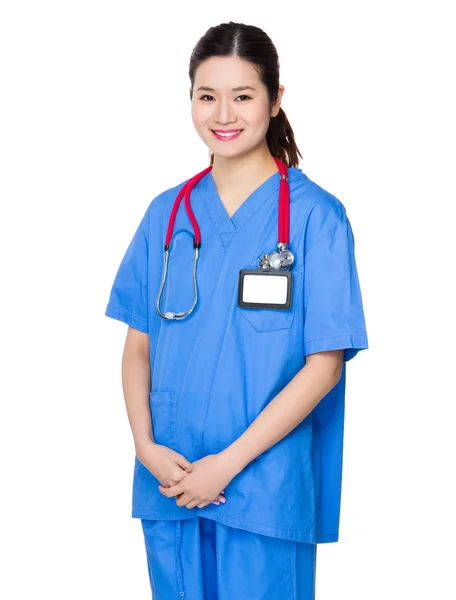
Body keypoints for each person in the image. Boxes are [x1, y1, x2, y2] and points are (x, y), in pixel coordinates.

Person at [104, 20, 369, 600]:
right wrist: (145, 447)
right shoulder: (167, 214)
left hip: (263, 487)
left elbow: (324, 366)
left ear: (275, 101)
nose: (223, 113)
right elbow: (138, 346)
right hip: (170, 480)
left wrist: (226, 465)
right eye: (207, 95)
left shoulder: (315, 218)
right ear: (191, 101)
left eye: (243, 95)